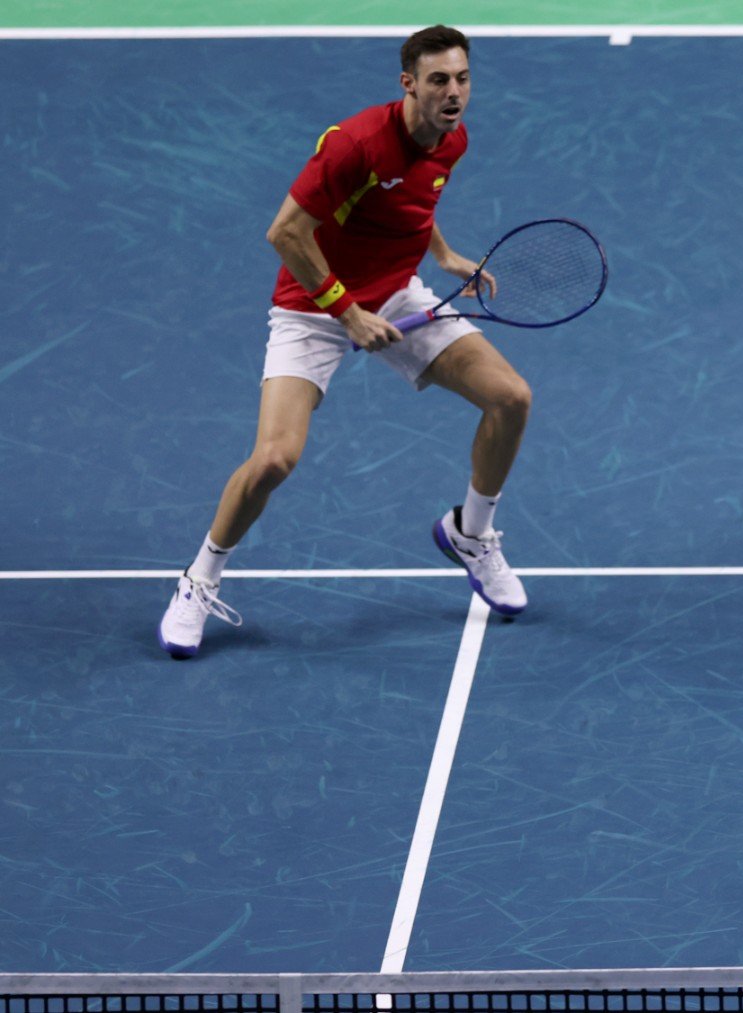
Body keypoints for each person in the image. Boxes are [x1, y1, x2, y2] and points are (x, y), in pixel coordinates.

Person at [158, 25, 531, 659]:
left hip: (395, 296)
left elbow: (414, 202)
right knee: (274, 460)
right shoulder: (354, 144)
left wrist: (443, 255)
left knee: (511, 398)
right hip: (312, 305)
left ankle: (472, 531)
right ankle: (200, 580)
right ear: (408, 83)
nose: (454, 93)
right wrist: (348, 313)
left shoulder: (452, 138)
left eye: (463, 79)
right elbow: (284, 233)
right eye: (439, 80)